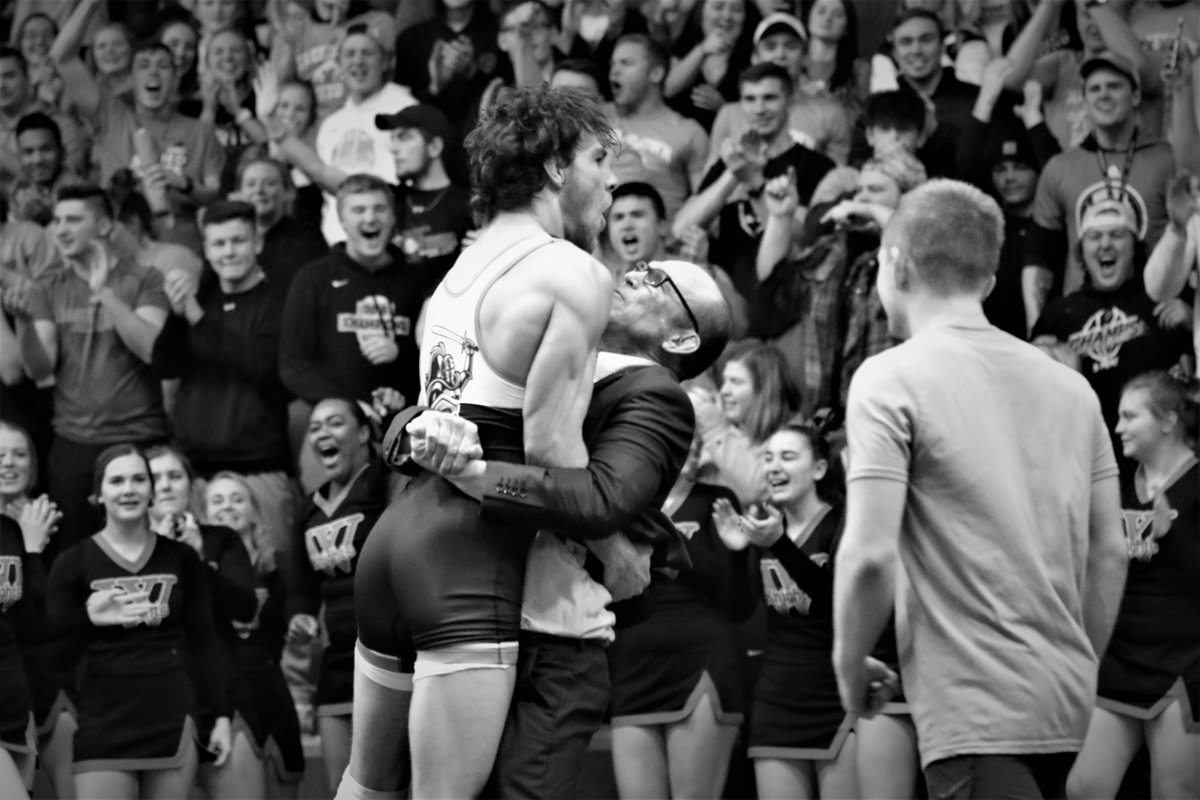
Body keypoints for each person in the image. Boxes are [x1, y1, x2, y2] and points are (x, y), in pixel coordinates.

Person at [340, 85, 617, 800]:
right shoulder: (574, 272)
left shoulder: (453, 274)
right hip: (467, 558)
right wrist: (613, 548)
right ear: (556, 166)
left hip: (396, 539)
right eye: (599, 158)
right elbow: (553, 456)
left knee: (365, 788)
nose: (611, 180)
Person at [385, 259, 734, 800]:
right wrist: (416, 431)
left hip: (550, 639)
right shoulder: (547, 345)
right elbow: (434, 408)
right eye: (640, 266)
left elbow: (601, 500)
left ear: (682, 339)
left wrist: (474, 474)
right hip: (456, 612)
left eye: (656, 280)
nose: (633, 274)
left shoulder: (656, 394)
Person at [833, 179, 1128, 799]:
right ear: (990, 282)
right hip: (1064, 700)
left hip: (975, 705)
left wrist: (848, 662)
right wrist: (1077, 663)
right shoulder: (1073, 389)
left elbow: (870, 556)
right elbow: (1110, 551)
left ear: (896, 264)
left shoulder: (889, 378)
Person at [46, 445, 233, 800]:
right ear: (98, 494)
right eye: (117, 481)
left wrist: (221, 716)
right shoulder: (72, 563)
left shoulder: (182, 557)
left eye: (138, 479)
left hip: (171, 713)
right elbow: (51, 652)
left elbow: (204, 640)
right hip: (101, 718)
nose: (128, 489)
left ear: (151, 491)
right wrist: (87, 618)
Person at [15, 185, 169, 558]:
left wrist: (104, 293)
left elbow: (150, 348)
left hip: (139, 437)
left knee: (148, 553)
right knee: (75, 557)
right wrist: (23, 324)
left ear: (103, 225)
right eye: (57, 221)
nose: (60, 230)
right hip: (74, 444)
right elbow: (40, 370)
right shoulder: (48, 287)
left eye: (73, 220)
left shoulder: (145, 279)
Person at [1067, 371, 1199, 800]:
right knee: (1083, 788)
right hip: (1120, 659)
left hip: (1185, 665)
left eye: (1130, 416)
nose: (1118, 427)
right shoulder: (1116, 487)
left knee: (1174, 791)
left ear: (1168, 420)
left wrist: (1173, 540)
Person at [714, 422, 857, 799]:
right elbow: (737, 611)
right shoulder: (765, 529)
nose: (775, 466)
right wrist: (738, 553)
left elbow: (834, 602)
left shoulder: (841, 524)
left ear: (819, 469)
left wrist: (780, 545)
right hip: (776, 699)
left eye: (788, 457)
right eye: (768, 458)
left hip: (837, 697)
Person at [608, 433, 754, 800]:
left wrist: (736, 555)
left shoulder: (717, 501)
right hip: (632, 666)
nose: (684, 446)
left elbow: (738, 606)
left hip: (700, 660)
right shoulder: (620, 501)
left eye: (691, 438)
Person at [151, 200, 297, 559]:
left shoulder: (280, 301)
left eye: (238, 241)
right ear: (206, 249)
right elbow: (164, 364)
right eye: (218, 243)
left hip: (260, 470)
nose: (228, 252)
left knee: (274, 576)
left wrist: (193, 313)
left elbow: (259, 365)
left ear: (257, 243)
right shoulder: (201, 300)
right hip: (197, 474)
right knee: (199, 580)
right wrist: (177, 313)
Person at [1031, 197, 1191, 479]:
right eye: (1094, 237)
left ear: (1134, 247)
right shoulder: (1057, 314)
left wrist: (1192, 323)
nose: (1105, 244)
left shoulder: (1162, 299)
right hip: (1086, 460)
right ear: (1082, 251)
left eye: (1117, 235)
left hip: (1159, 461)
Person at [1023, 50, 1175, 329]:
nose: (1103, 95)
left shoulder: (1167, 160)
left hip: (1155, 320)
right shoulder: (1059, 168)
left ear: (1136, 96)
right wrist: (1038, 328)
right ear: (1084, 100)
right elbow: (1039, 255)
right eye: (1094, 89)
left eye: (1114, 86)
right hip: (1083, 325)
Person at [144, 447, 263, 800]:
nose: (166, 486)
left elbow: (244, 608)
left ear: (190, 485)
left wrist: (197, 560)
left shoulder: (220, 538)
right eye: (155, 478)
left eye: (175, 476)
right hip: (154, 699)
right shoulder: (126, 548)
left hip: (223, 690)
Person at [290, 398, 390, 793]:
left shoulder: (383, 484)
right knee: (341, 789)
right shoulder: (308, 509)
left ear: (364, 433)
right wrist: (299, 615)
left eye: (334, 423)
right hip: (335, 664)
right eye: (314, 428)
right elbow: (301, 588)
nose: (322, 434)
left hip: (387, 654)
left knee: (389, 786)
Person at [279, 173, 429, 416]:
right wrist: (350, 408)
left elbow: (435, 361)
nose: (370, 218)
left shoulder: (418, 281)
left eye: (379, 209)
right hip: (338, 421)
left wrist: (400, 356)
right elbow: (293, 365)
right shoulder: (313, 279)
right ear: (341, 219)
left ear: (393, 216)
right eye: (358, 210)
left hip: (405, 420)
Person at [202, 469, 306, 800]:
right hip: (229, 701)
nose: (227, 506)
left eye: (237, 499)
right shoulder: (196, 567)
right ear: (204, 515)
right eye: (218, 500)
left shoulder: (276, 566)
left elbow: (290, 632)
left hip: (274, 697)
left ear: (254, 512)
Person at [610, 34, 710, 224]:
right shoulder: (600, 118)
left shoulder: (689, 132)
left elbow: (704, 203)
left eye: (626, 63)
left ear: (656, 73)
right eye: (612, 64)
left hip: (663, 236)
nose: (614, 71)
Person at [375, 104, 473, 291]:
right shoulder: (389, 200)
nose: (393, 149)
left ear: (434, 147)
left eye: (404, 137)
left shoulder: (469, 203)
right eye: (392, 139)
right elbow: (345, 187)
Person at [697, 341, 800, 506]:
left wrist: (714, 428)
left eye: (736, 382)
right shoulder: (729, 426)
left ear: (763, 391)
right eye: (724, 381)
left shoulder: (794, 438)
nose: (724, 391)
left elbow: (758, 489)